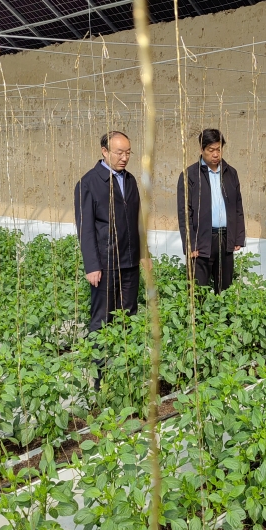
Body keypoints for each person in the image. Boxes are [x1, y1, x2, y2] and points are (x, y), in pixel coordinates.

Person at [74, 131, 150, 387]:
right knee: (102, 320)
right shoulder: (88, 183)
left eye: (128, 153)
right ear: (104, 151)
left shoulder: (130, 180)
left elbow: (138, 220)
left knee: (129, 316)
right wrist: (92, 265)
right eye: (119, 152)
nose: (124, 157)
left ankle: (125, 375)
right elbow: (85, 228)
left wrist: (143, 253)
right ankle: (100, 381)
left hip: (129, 261)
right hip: (105, 264)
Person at [177, 128, 246, 293]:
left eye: (219, 149)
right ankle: (199, 312)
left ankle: (223, 311)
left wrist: (238, 236)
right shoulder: (190, 175)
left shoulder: (230, 173)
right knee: (198, 289)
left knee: (225, 287)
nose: (215, 154)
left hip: (225, 237)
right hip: (201, 240)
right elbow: (184, 213)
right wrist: (190, 244)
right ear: (201, 149)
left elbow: (238, 206)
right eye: (211, 150)